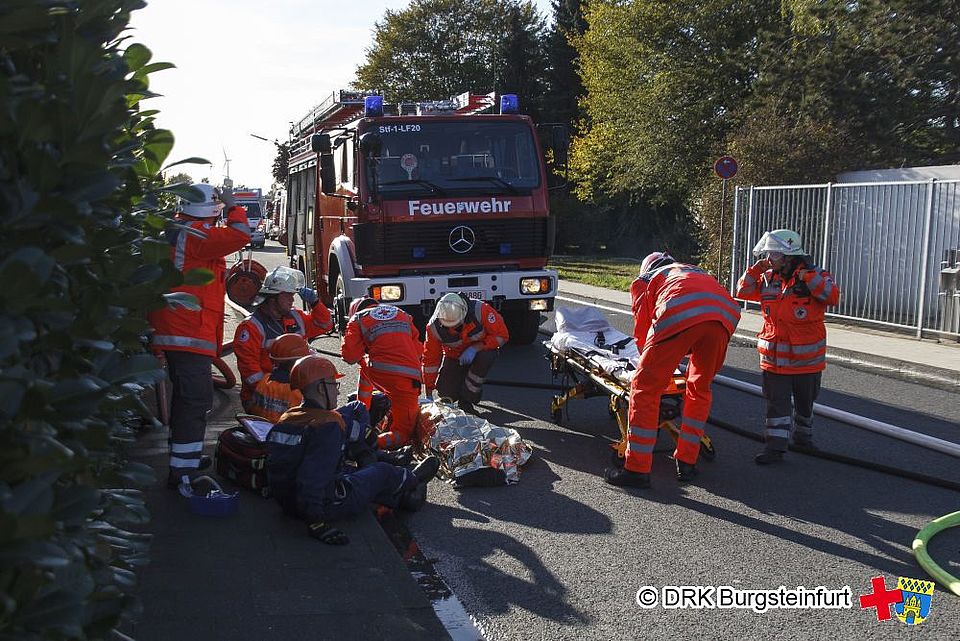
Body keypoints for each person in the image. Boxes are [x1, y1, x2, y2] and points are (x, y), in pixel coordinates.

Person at [265, 355, 440, 545]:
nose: (337, 393)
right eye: (333, 385)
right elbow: (311, 479)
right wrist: (317, 523)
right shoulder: (326, 427)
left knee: (356, 409)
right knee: (381, 472)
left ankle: (372, 460)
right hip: (325, 503)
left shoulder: (288, 417)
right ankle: (411, 482)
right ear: (320, 388)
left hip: (288, 501)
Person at [605, 252, 741, 488]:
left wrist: (648, 366)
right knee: (699, 388)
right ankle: (687, 461)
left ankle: (636, 469)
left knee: (645, 390)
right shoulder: (693, 270)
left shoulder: (645, 280)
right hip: (724, 316)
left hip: (679, 310)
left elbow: (643, 332)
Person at [148, 184, 251, 489]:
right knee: (194, 400)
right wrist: (234, 206)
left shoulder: (178, 230)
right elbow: (241, 234)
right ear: (211, 209)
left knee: (188, 400)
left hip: (178, 328)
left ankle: (187, 459)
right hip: (185, 332)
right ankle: (182, 473)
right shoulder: (195, 234)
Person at [736, 229, 841, 464]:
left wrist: (807, 277)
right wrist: (757, 268)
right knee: (777, 404)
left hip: (806, 361)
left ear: (790, 255)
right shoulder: (768, 277)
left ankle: (803, 436)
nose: (769, 258)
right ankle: (775, 448)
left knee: (805, 402)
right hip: (774, 360)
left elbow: (832, 296)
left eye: (774, 254)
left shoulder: (817, 276)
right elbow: (742, 290)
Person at [234, 266, 333, 411]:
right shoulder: (250, 327)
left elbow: (326, 325)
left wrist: (315, 303)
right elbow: (251, 373)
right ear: (272, 298)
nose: (292, 299)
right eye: (287, 295)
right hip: (263, 398)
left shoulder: (296, 317)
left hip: (294, 392)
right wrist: (281, 392)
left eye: (292, 295)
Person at [341, 297, 424, 449]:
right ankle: (369, 444)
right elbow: (418, 350)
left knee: (364, 364)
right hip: (407, 380)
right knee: (402, 434)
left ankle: (362, 413)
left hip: (377, 371)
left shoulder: (357, 318)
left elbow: (350, 356)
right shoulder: (402, 313)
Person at [422, 292, 509, 413]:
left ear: (464, 314)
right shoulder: (433, 328)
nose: (452, 328)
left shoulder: (481, 311)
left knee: (486, 356)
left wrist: (475, 348)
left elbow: (501, 335)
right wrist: (428, 392)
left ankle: (467, 400)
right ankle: (460, 388)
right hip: (455, 357)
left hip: (479, 353)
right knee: (446, 394)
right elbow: (430, 360)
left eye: (456, 325)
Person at [246, 333, 311, 423]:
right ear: (297, 362)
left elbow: (252, 408)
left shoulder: (265, 380)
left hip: (260, 428)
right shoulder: (299, 391)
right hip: (285, 433)